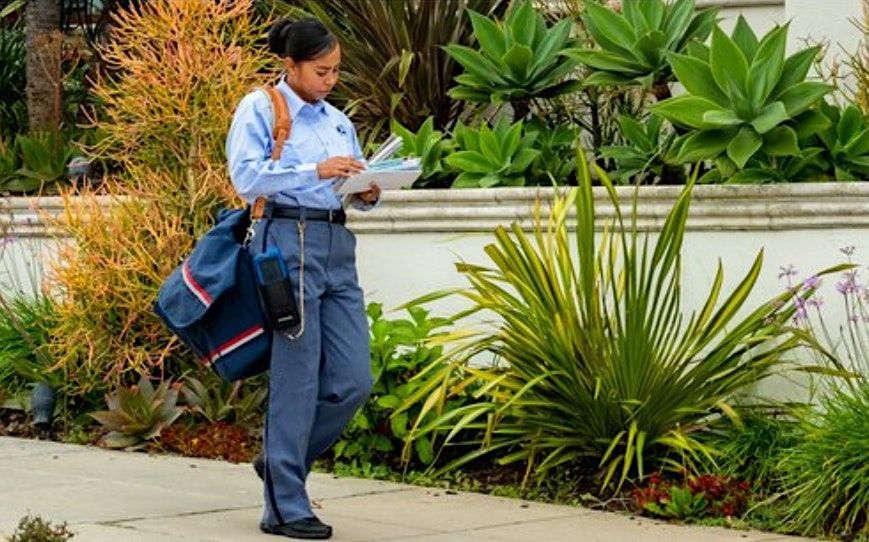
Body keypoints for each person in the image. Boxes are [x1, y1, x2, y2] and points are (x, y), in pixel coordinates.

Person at [225, 17, 379, 540]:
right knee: (297, 375)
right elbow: (246, 178)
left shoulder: (337, 120)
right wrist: (314, 172)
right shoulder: (261, 108)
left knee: (354, 379)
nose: (330, 80)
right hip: (288, 243)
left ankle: (278, 462)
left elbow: (345, 183)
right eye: (321, 70)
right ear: (290, 64)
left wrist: (365, 190)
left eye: (336, 71)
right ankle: (285, 505)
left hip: (337, 243)